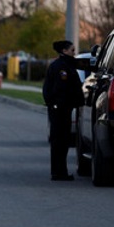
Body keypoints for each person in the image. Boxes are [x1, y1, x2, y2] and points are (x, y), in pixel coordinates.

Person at [42, 39, 84, 181]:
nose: (74, 53)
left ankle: (60, 171)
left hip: (63, 108)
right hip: (60, 110)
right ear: (64, 51)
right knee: (59, 141)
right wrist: (59, 104)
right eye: (72, 50)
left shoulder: (66, 64)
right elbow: (60, 89)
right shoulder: (61, 67)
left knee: (62, 141)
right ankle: (58, 172)